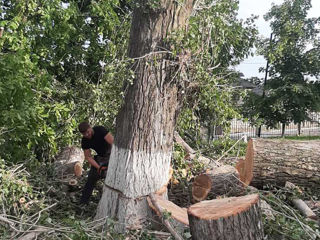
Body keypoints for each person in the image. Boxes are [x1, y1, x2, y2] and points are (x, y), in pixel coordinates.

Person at [78, 122, 114, 204]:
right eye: (84, 134)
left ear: (90, 128)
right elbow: (88, 157)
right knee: (91, 177)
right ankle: (83, 203)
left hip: (112, 154)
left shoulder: (100, 130)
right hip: (100, 158)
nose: (87, 135)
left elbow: (113, 143)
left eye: (88, 132)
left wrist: (112, 160)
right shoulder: (84, 141)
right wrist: (99, 167)